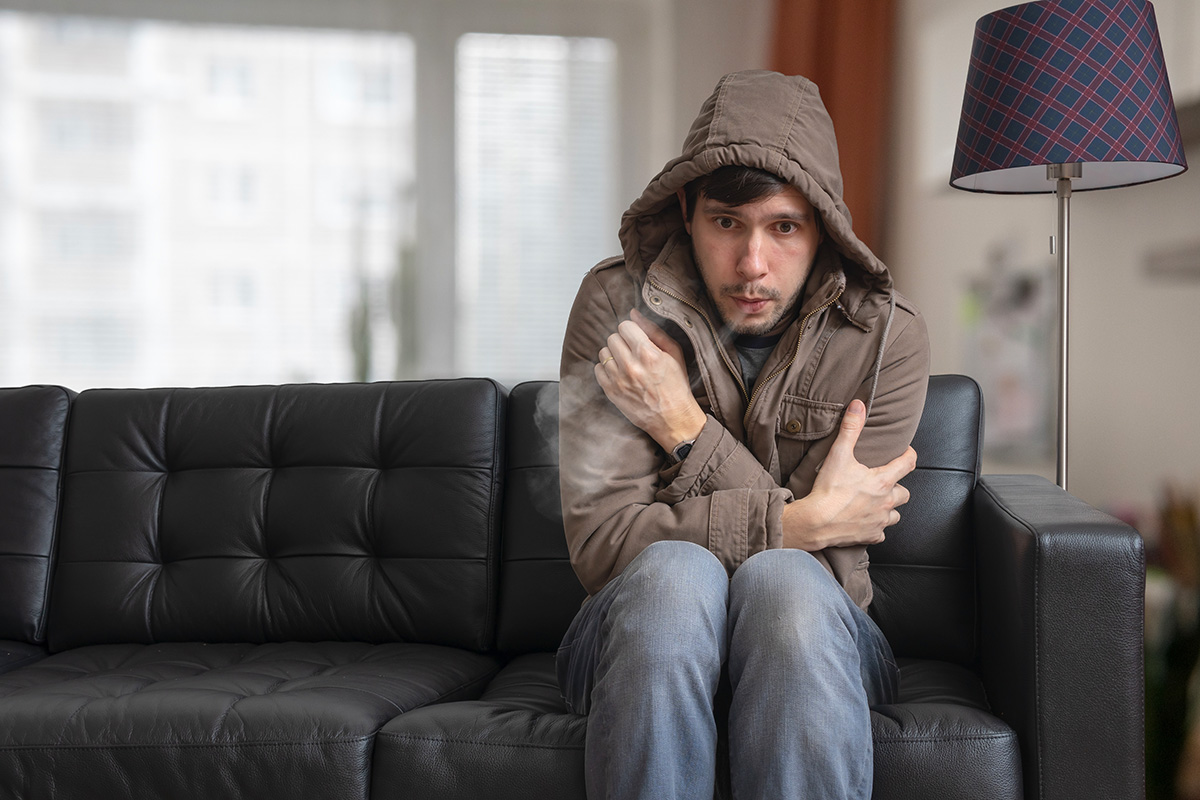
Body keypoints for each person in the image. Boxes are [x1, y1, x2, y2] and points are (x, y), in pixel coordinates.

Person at [556, 70, 930, 799]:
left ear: (822, 225)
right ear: (689, 210)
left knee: (786, 584)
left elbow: (834, 570)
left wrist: (683, 428)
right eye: (728, 224)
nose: (753, 265)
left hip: (818, 638)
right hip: (636, 637)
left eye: (783, 227)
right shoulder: (615, 306)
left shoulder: (886, 336)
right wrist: (800, 519)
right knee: (671, 579)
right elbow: (603, 546)